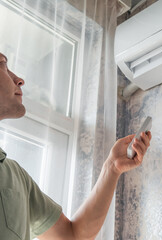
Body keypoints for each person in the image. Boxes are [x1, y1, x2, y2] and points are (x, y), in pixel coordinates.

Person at [0, 52, 152, 240]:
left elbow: (73, 236)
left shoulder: (15, 176)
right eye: (3, 65)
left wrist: (112, 167)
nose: (19, 79)